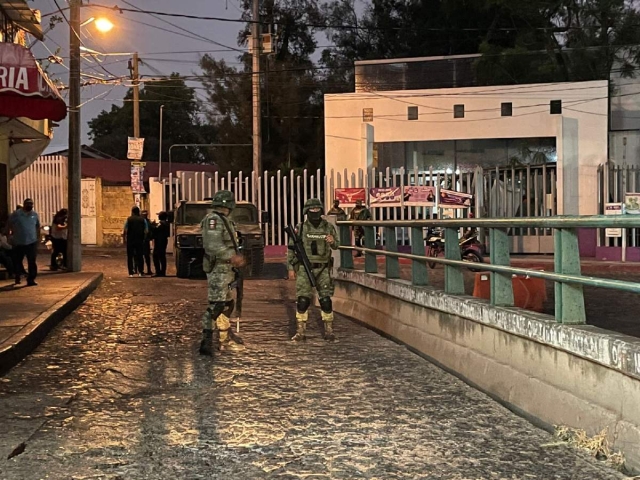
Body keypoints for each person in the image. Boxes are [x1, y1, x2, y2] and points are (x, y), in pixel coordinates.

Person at [199, 190, 246, 356]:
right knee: (217, 305)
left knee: (227, 303)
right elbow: (212, 246)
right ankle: (207, 341)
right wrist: (232, 256)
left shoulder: (225, 220)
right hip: (219, 268)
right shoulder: (213, 220)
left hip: (227, 269)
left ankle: (224, 338)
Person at [288, 198, 340, 342]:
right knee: (303, 300)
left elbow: (337, 245)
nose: (315, 212)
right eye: (312, 210)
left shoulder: (328, 227)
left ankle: (329, 331)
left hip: (323, 267)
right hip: (305, 268)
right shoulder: (301, 228)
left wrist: (332, 241)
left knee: (325, 300)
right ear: (307, 211)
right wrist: (290, 268)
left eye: (318, 210)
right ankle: (300, 331)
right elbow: (291, 249)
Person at [8, 198, 40, 286]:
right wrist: (9, 236)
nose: (30, 205)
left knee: (32, 261)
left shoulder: (35, 215)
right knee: (18, 261)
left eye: (31, 204)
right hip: (19, 242)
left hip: (31, 241)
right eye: (28, 204)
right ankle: (17, 276)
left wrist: (38, 238)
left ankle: (31, 279)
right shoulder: (16, 214)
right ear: (24, 204)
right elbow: (9, 225)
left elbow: (37, 226)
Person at [123, 206, 148, 277]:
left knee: (130, 256)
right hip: (139, 240)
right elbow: (146, 231)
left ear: (132, 212)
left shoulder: (129, 219)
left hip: (130, 240)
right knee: (140, 256)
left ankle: (131, 272)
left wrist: (124, 239)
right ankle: (140, 271)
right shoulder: (143, 220)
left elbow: (125, 230)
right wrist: (144, 238)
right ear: (138, 212)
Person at [152, 211, 171, 277]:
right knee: (162, 256)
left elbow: (155, 229)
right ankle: (163, 271)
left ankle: (158, 271)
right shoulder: (167, 223)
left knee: (156, 256)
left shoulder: (161, 223)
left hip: (159, 241)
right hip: (163, 240)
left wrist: (152, 225)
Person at [141, 210, 153, 275]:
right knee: (141, 256)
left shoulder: (147, 221)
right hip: (143, 240)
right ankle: (141, 270)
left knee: (146, 256)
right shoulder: (143, 221)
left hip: (145, 240)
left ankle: (147, 269)